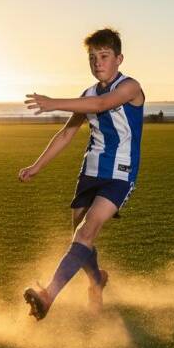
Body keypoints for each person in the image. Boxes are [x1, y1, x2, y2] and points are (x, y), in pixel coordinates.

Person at [18, 28, 145, 320]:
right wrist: (36, 166)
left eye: (104, 56)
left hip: (120, 173)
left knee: (87, 230)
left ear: (118, 58)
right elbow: (67, 134)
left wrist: (53, 103)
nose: (98, 63)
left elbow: (101, 105)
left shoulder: (131, 87)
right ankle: (96, 279)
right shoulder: (87, 94)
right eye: (92, 57)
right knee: (80, 234)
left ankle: (48, 295)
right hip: (90, 172)